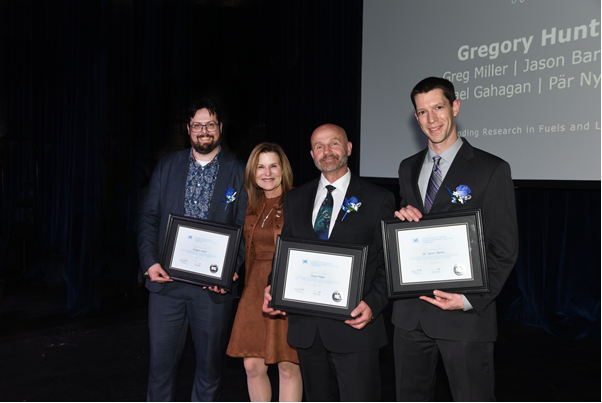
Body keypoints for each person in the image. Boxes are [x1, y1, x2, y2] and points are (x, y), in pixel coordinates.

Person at [393, 77, 519, 401]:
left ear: (455, 107)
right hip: (410, 316)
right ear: (416, 117)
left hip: (464, 317)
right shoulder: (407, 168)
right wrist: (401, 219)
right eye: (423, 112)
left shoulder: (491, 169)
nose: (431, 119)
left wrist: (468, 300)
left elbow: (504, 248)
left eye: (438, 107)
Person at [263, 124, 395, 402]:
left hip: (355, 327)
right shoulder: (295, 198)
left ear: (348, 148)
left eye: (334, 143)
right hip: (308, 329)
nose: (327, 151)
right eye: (319, 146)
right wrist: (273, 286)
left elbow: (388, 263)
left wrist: (373, 304)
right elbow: (285, 252)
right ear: (312, 155)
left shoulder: (378, 198)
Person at [137, 97, 247, 401]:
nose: (204, 131)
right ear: (188, 129)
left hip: (211, 291)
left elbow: (244, 228)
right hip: (166, 285)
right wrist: (149, 262)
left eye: (210, 124)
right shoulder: (167, 165)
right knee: (160, 369)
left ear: (220, 127)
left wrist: (230, 268)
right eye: (197, 125)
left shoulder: (239, 171)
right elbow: (148, 217)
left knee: (209, 372)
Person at [226, 142, 303, 401]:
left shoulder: (298, 201)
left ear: (283, 170)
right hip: (254, 288)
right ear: (252, 171)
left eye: (273, 166)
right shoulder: (248, 203)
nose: (267, 173)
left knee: (287, 365)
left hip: (286, 285)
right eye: (260, 167)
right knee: (252, 366)